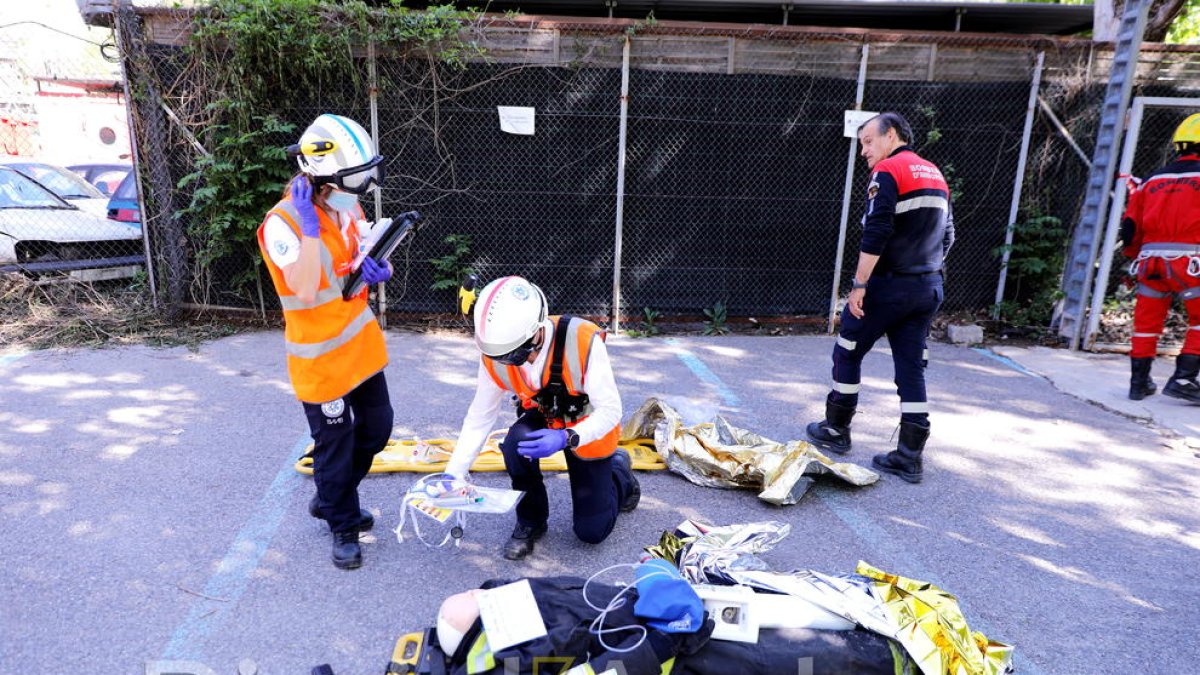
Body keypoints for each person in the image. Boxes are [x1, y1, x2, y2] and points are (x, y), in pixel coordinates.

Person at [256, 113, 395, 569]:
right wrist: (311, 231)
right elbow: (304, 286)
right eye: (347, 183)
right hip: (319, 360)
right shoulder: (283, 224)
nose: (355, 194)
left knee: (376, 430)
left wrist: (378, 264)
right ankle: (342, 524)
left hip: (359, 347)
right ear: (319, 177)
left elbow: (355, 255)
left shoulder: (347, 204)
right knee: (334, 445)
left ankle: (332, 497)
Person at [445, 275, 640, 560]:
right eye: (498, 355)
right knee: (514, 444)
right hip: (545, 414)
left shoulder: (583, 341)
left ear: (536, 332)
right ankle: (531, 519)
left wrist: (567, 437)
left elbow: (611, 411)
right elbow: (479, 416)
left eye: (513, 355)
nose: (504, 362)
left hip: (587, 424)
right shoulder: (494, 350)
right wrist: (454, 473)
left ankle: (619, 473)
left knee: (591, 532)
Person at [805, 112, 954, 484]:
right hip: (927, 286)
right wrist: (925, 269)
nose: (864, 152)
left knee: (847, 350)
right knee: (910, 366)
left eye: (869, 142)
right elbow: (949, 234)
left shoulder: (888, 172)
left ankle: (837, 430)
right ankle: (909, 455)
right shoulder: (934, 173)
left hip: (888, 287)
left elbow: (877, 231)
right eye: (861, 144)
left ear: (892, 136)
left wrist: (859, 285)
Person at [1119, 112, 1200, 404]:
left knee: (1146, 324)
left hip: (1150, 262)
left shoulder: (1152, 179)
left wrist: (1131, 259)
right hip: (1191, 262)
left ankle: (1138, 383)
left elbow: (1130, 229)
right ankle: (1184, 378)